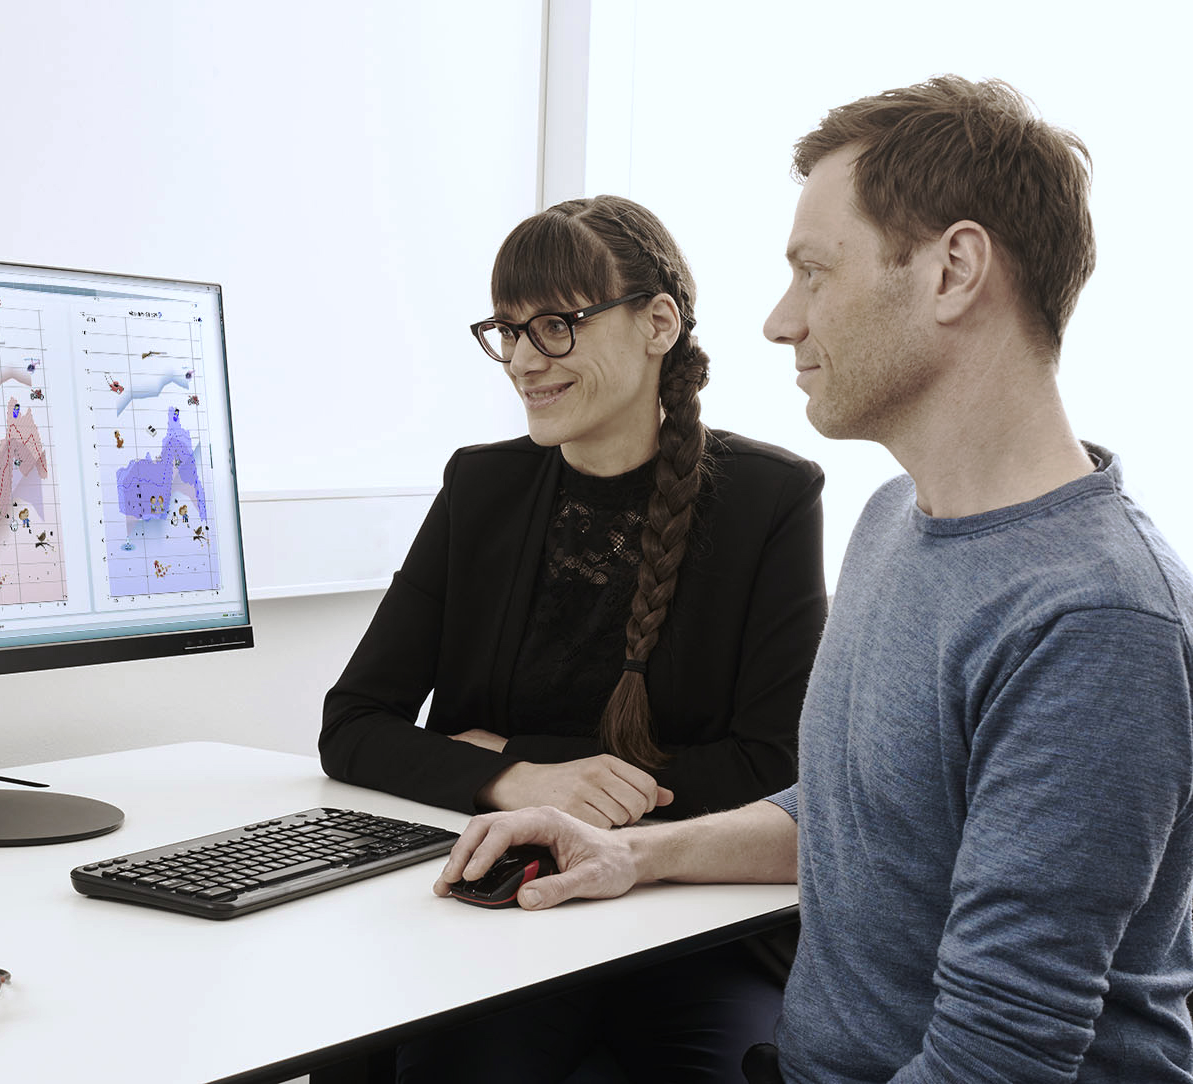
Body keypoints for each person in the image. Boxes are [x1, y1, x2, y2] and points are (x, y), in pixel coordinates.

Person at [437, 76, 1193, 1084]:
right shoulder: (896, 518)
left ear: (953, 270)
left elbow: (997, 1062)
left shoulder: (1094, 621)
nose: (779, 320)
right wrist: (631, 852)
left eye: (813, 272)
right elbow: (856, 811)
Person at [320, 196, 829, 1080]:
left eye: (556, 326)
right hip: (507, 902)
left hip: (689, 921)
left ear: (658, 324)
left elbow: (774, 769)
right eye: (508, 331)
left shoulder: (771, 499)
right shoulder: (480, 487)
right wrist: (522, 778)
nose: (524, 360)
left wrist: (502, 752)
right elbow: (354, 724)